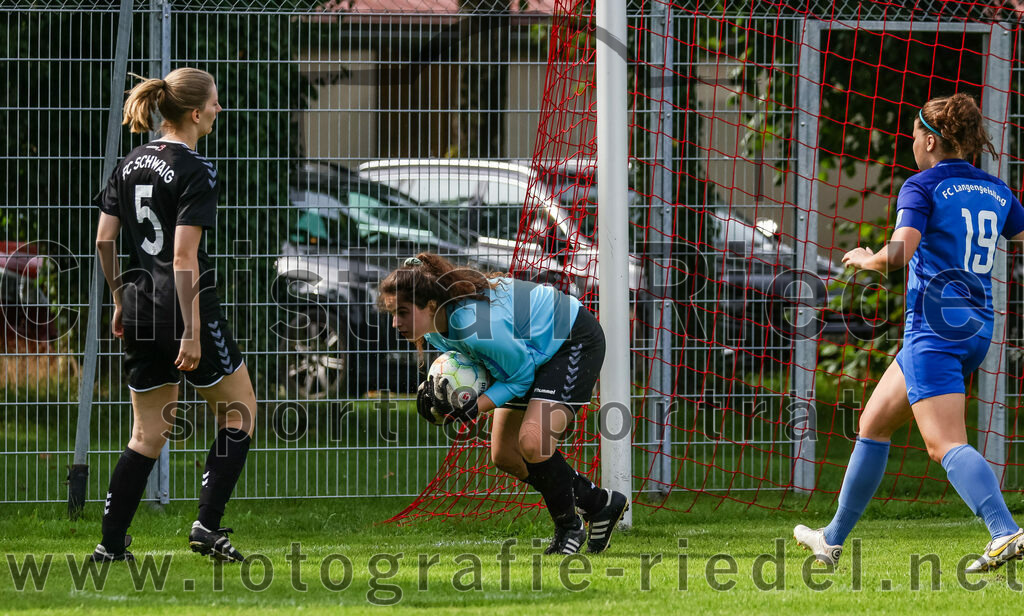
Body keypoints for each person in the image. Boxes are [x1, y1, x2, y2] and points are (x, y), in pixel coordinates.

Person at [794, 93, 1024, 573]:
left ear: (930, 139)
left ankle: (1005, 531)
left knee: (944, 444)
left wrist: (866, 259)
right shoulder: (997, 191)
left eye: (914, 135)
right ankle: (831, 539)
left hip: (935, 330)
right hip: (976, 327)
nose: (911, 143)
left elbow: (898, 253)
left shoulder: (922, 186)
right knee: (873, 424)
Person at [90, 67, 254, 562]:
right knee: (240, 414)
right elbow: (183, 259)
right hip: (184, 309)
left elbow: (103, 239)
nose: (220, 110)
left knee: (146, 434)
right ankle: (207, 525)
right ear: (196, 112)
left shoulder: (129, 162)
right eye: (216, 103)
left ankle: (111, 545)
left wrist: (120, 300)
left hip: (140, 308)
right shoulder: (195, 169)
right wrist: (193, 330)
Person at [377, 253, 629, 554]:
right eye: (392, 313)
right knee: (506, 454)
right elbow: (484, 363)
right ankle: (599, 504)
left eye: (402, 312)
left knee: (533, 443)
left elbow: (521, 375)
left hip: (570, 340)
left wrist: (474, 406)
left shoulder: (472, 323)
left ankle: (569, 526)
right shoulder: (437, 329)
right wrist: (445, 397)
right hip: (531, 351)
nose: (395, 323)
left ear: (430, 305)